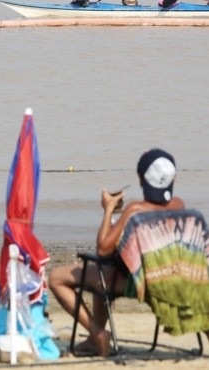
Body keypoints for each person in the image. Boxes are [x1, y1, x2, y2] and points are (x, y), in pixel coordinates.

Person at [47, 148, 184, 357]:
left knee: (58, 277)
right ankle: (94, 341)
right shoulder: (179, 205)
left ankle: (98, 333)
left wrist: (109, 209)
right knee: (102, 271)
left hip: (134, 283)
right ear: (173, 177)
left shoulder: (135, 210)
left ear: (141, 179)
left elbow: (102, 249)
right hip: (166, 281)